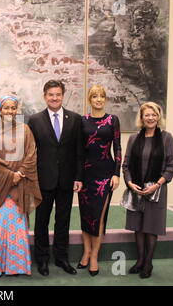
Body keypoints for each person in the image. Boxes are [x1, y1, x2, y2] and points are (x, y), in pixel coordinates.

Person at [0, 95, 42, 277]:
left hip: (19, 185)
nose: (9, 111)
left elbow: (31, 154)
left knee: (16, 226)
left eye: (13, 108)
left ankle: (16, 266)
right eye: (6, 108)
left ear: (17, 110)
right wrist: (9, 175)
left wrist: (20, 173)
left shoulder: (25, 130)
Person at [27, 79, 84, 276]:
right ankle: (42, 260)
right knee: (41, 221)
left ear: (63, 95)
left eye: (58, 94)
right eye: (50, 94)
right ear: (45, 96)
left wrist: (78, 177)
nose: (54, 98)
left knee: (63, 220)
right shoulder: (34, 120)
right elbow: (30, 152)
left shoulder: (75, 119)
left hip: (67, 180)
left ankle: (61, 258)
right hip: (44, 180)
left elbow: (79, 151)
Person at [122, 102, 173, 279]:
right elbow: (126, 165)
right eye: (147, 115)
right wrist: (130, 183)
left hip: (157, 191)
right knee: (138, 228)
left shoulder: (167, 138)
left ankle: (148, 263)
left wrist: (157, 184)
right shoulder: (133, 139)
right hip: (136, 190)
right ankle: (139, 261)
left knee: (151, 228)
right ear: (142, 117)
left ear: (158, 117)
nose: (151, 118)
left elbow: (172, 166)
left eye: (154, 114)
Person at [77, 85, 122, 276]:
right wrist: (77, 177)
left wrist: (116, 174)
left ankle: (94, 256)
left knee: (99, 216)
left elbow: (118, 149)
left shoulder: (113, 120)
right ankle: (86, 252)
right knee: (86, 215)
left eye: (102, 96)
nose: (98, 100)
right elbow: (79, 151)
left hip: (105, 174)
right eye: (95, 96)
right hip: (86, 175)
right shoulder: (82, 121)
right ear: (89, 99)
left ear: (105, 100)